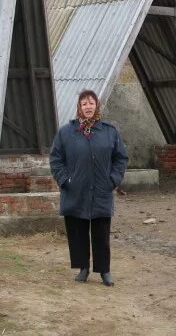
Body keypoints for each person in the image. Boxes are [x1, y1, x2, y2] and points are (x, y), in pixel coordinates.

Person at [49, 90, 128, 286]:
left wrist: (113, 180)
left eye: (91, 103)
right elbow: (56, 158)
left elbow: (121, 158)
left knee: (101, 233)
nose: (88, 107)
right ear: (79, 107)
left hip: (101, 190)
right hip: (75, 190)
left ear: (97, 105)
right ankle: (82, 268)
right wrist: (65, 180)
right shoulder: (66, 132)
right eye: (84, 104)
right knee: (78, 230)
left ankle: (104, 271)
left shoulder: (109, 131)